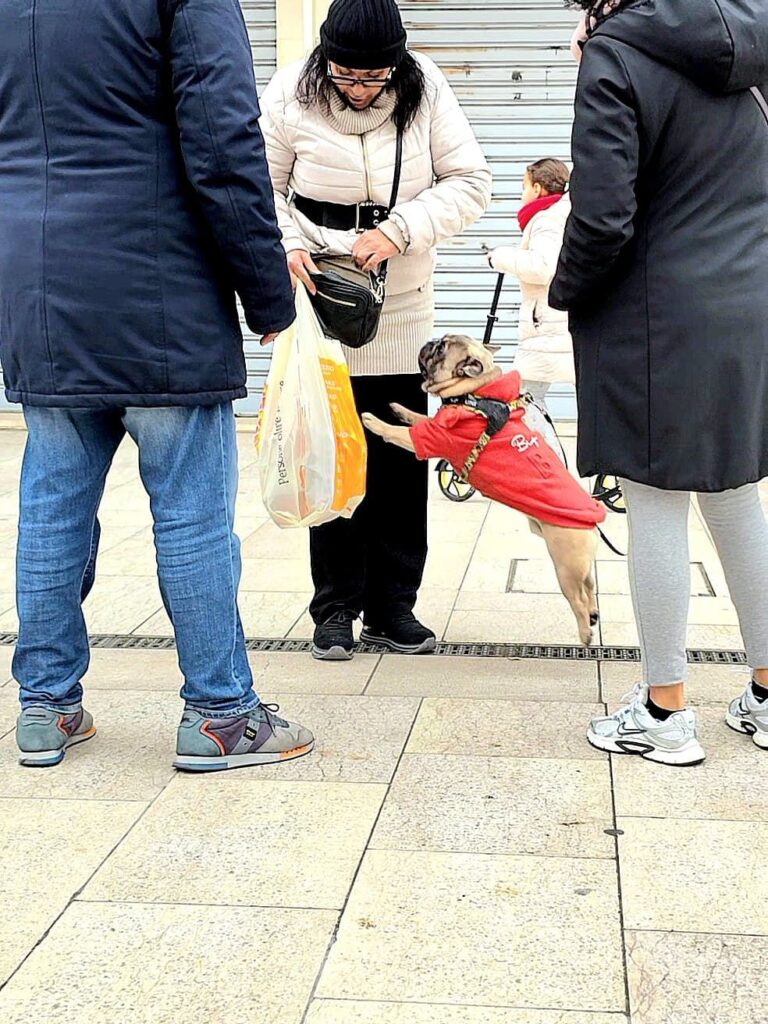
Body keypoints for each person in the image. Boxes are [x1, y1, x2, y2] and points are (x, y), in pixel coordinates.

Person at [0, 0, 314, 771]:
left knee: (51, 503)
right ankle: (221, 715)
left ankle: (45, 706)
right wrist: (266, 292)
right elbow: (223, 139)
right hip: (158, 286)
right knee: (192, 514)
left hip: (39, 284)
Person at [550, 0, 768, 766]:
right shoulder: (756, 39)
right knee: (736, 496)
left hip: (657, 315)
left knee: (655, 501)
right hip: (746, 305)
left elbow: (603, 215)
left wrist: (565, 289)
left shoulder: (616, 54)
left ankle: (664, 710)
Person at [260, 0, 492, 661]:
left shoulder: (426, 86)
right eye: (346, 75)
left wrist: (400, 229)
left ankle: (394, 609)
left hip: (401, 300)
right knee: (330, 461)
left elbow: (471, 181)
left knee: (399, 466)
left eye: (373, 77)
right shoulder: (291, 90)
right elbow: (256, 186)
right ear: (325, 60)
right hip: (323, 303)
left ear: (397, 65)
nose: (359, 89)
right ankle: (334, 609)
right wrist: (287, 244)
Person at [489, 159, 575, 413]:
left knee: (526, 400)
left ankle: (536, 440)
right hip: (555, 322)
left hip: (547, 324)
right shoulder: (562, 215)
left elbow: (542, 267)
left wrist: (501, 257)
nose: (521, 194)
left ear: (537, 188)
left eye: (524, 186)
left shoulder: (546, 220)